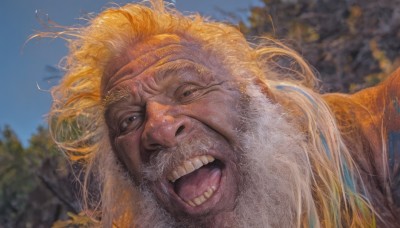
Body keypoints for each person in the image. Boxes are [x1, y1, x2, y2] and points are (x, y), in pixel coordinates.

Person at [46, 1, 400, 227]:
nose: (160, 129)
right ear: (122, 170)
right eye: (128, 120)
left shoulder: (377, 144)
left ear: (259, 97)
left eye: (187, 91)